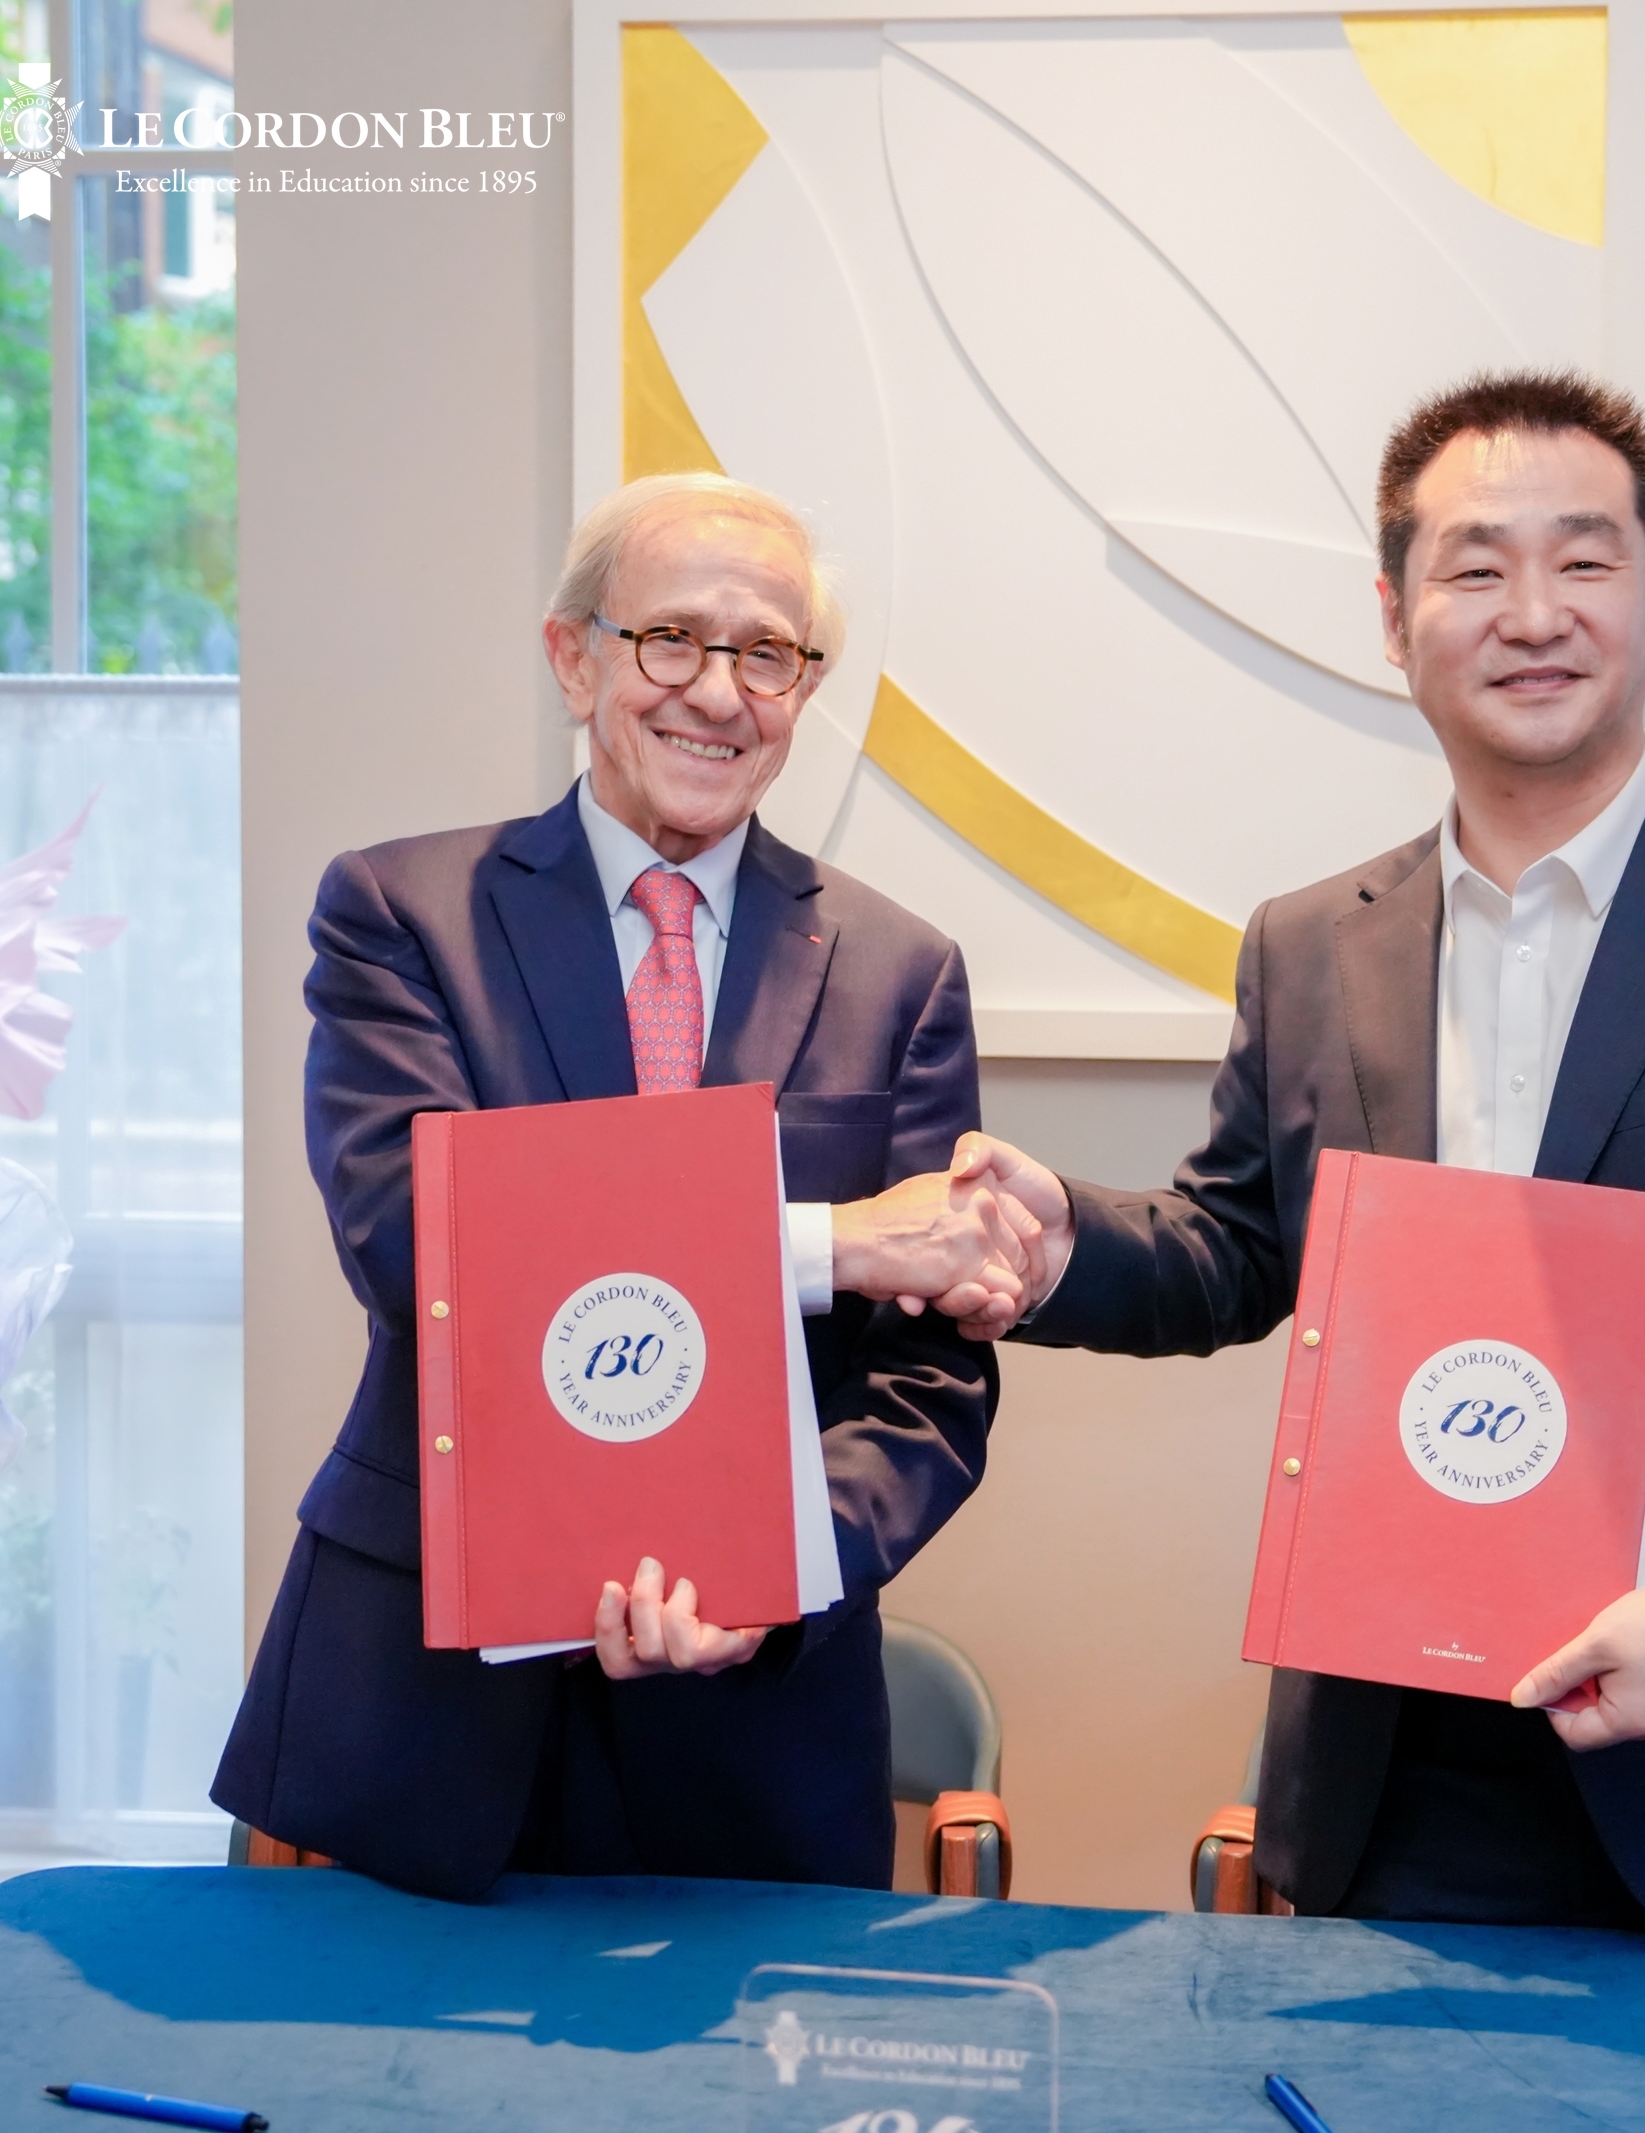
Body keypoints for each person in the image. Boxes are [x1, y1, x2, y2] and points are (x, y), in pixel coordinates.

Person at [943, 373, 1645, 1942]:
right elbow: (1241, 1244)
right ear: (1395, 619)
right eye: (1475, 567)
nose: (1534, 613)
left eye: (1585, 560)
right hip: (1405, 1779)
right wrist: (1064, 1245)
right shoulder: (1313, 942)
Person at [214, 473, 1030, 1902]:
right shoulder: (403, 914)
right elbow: (421, 1247)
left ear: (803, 690)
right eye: (672, 638)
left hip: (755, 1734)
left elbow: (928, 1383)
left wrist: (778, 1572)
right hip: (432, 1702)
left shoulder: (902, 975)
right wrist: (830, 1244)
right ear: (575, 657)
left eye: (767, 653)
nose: (718, 692)